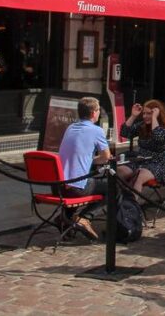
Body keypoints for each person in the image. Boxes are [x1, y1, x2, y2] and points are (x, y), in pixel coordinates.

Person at [58, 97, 111, 239]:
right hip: (76, 187)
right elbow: (106, 157)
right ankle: (84, 218)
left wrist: (87, 160)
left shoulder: (70, 128)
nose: (99, 112)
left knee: (88, 180)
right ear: (94, 113)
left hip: (59, 186)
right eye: (99, 110)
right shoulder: (97, 131)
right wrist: (92, 161)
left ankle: (66, 218)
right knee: (113, 188)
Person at [118, 99, 165, 193]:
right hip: (140, 161)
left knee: (138, 177)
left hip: (157, 164)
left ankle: (132, 206)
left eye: (149, 113)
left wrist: (154, 119)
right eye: (144, 113)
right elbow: (124, 133)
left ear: (157, 114)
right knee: (119, 172)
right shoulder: (142, 126)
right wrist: (133, 116)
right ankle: (119, 201)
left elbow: (158, 137)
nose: (145, 116)